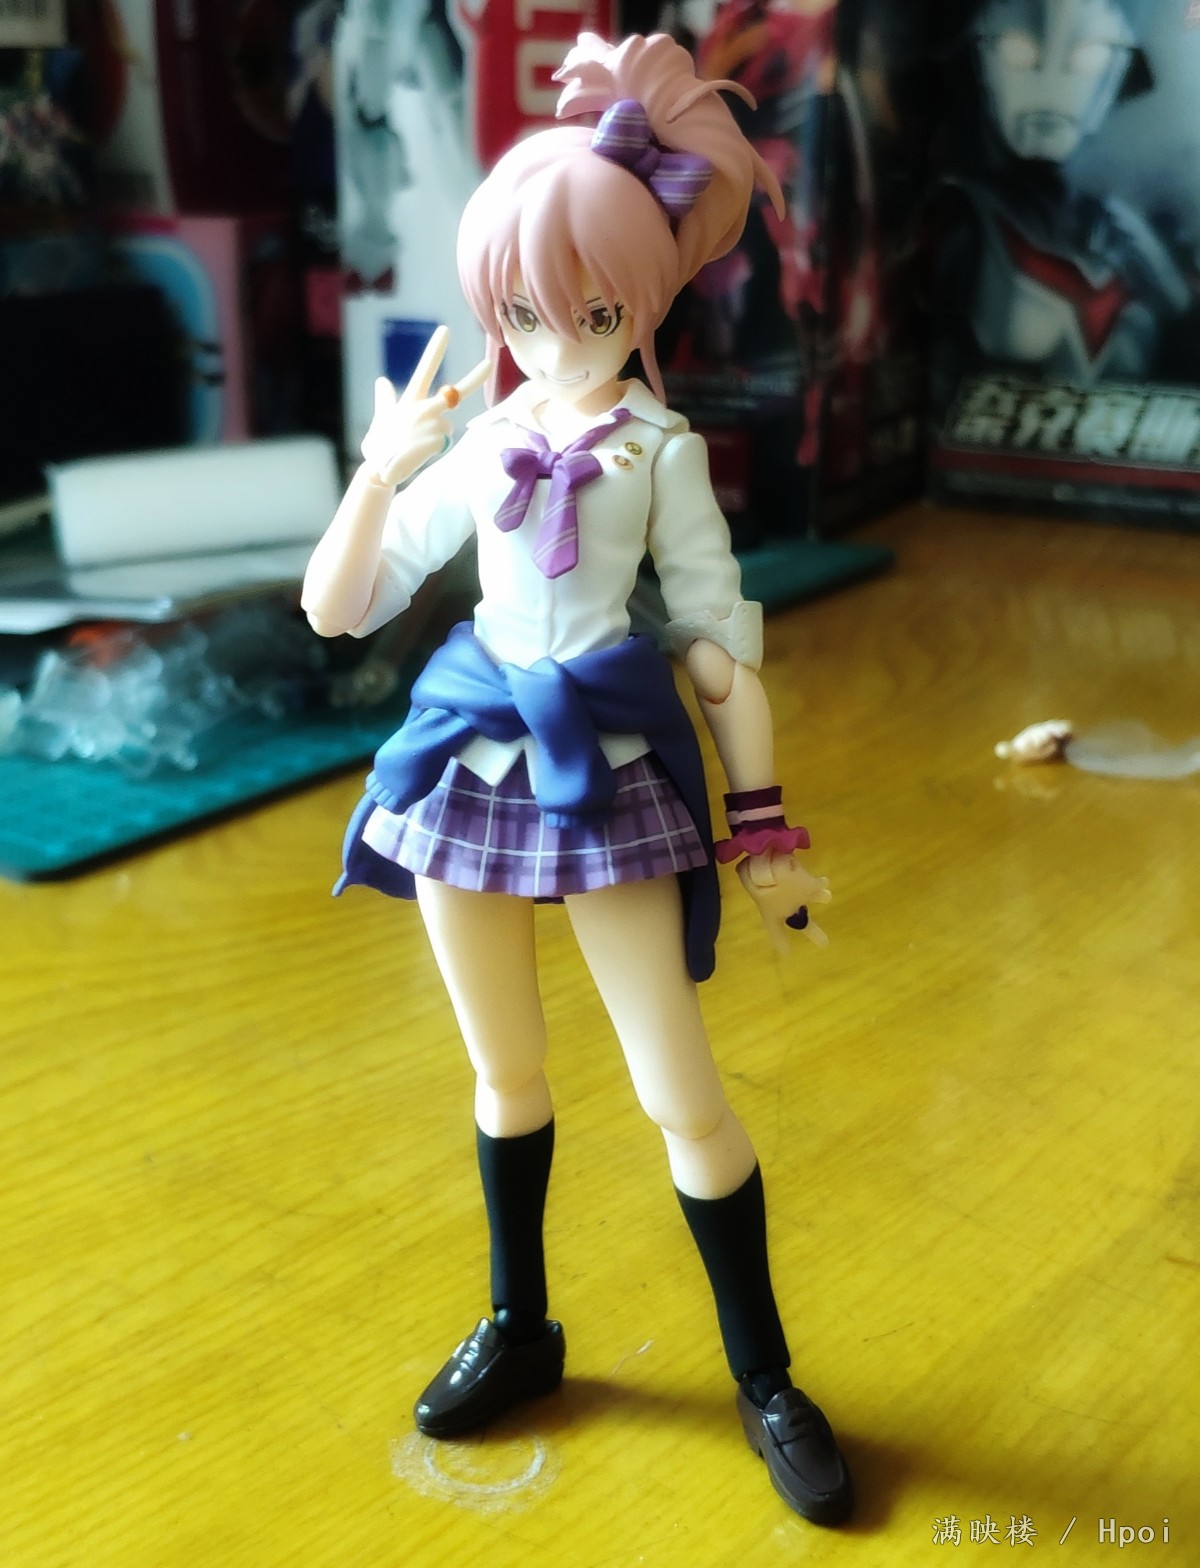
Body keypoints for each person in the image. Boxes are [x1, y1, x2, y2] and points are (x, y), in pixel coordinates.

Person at [301, 30, 852, 1528]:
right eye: (525, 314)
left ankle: (764, 1375)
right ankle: (521, 1324)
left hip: (601, 767)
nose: (556, 344)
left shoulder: (661, 449)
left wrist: (764, 834)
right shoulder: (480, 445)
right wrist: (380, 468)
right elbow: (339, 607)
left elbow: (717, 647)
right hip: (466, 761)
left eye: (594, 312)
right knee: (504, 1074)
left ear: (645, 299)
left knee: (682, 1091)